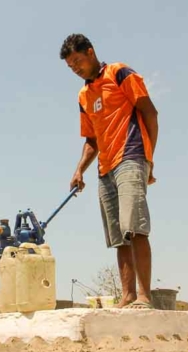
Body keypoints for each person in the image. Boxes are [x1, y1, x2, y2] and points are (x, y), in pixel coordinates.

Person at [60, 34, 159, 309]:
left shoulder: (120, 73)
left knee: (135, 227)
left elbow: (150, 112)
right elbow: (91, 139)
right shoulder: (84, 95)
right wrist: (79, 170)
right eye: (71, 66)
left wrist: (148, 160)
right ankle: (127, 296)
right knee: (118, 237)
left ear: (90, 52)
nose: (76, 68)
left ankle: (144, 297)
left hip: (130, 156)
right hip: (104, 169)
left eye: (78, 61)